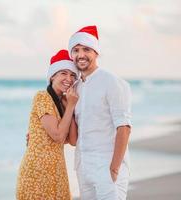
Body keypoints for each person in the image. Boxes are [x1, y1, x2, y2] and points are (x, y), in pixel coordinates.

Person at [68, 25, 132, 200]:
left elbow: (124, 127)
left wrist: (113, 168)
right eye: (76, 50)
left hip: (107, 167)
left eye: (86, 49)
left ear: (96, 52)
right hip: (83, 167)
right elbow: (72, 133)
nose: (80, 55)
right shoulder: (75, 87)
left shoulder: (112, 82)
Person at [16, 49, 79, 200]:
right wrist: (70, 106)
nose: (69, 79)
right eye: (63, 73)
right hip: (37, 173)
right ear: (52, 76)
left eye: (72, 75)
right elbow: (57, 135)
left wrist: (69, 106)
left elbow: (73, 140)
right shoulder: (42, 97)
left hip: (56, 173)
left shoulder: (64, 102)